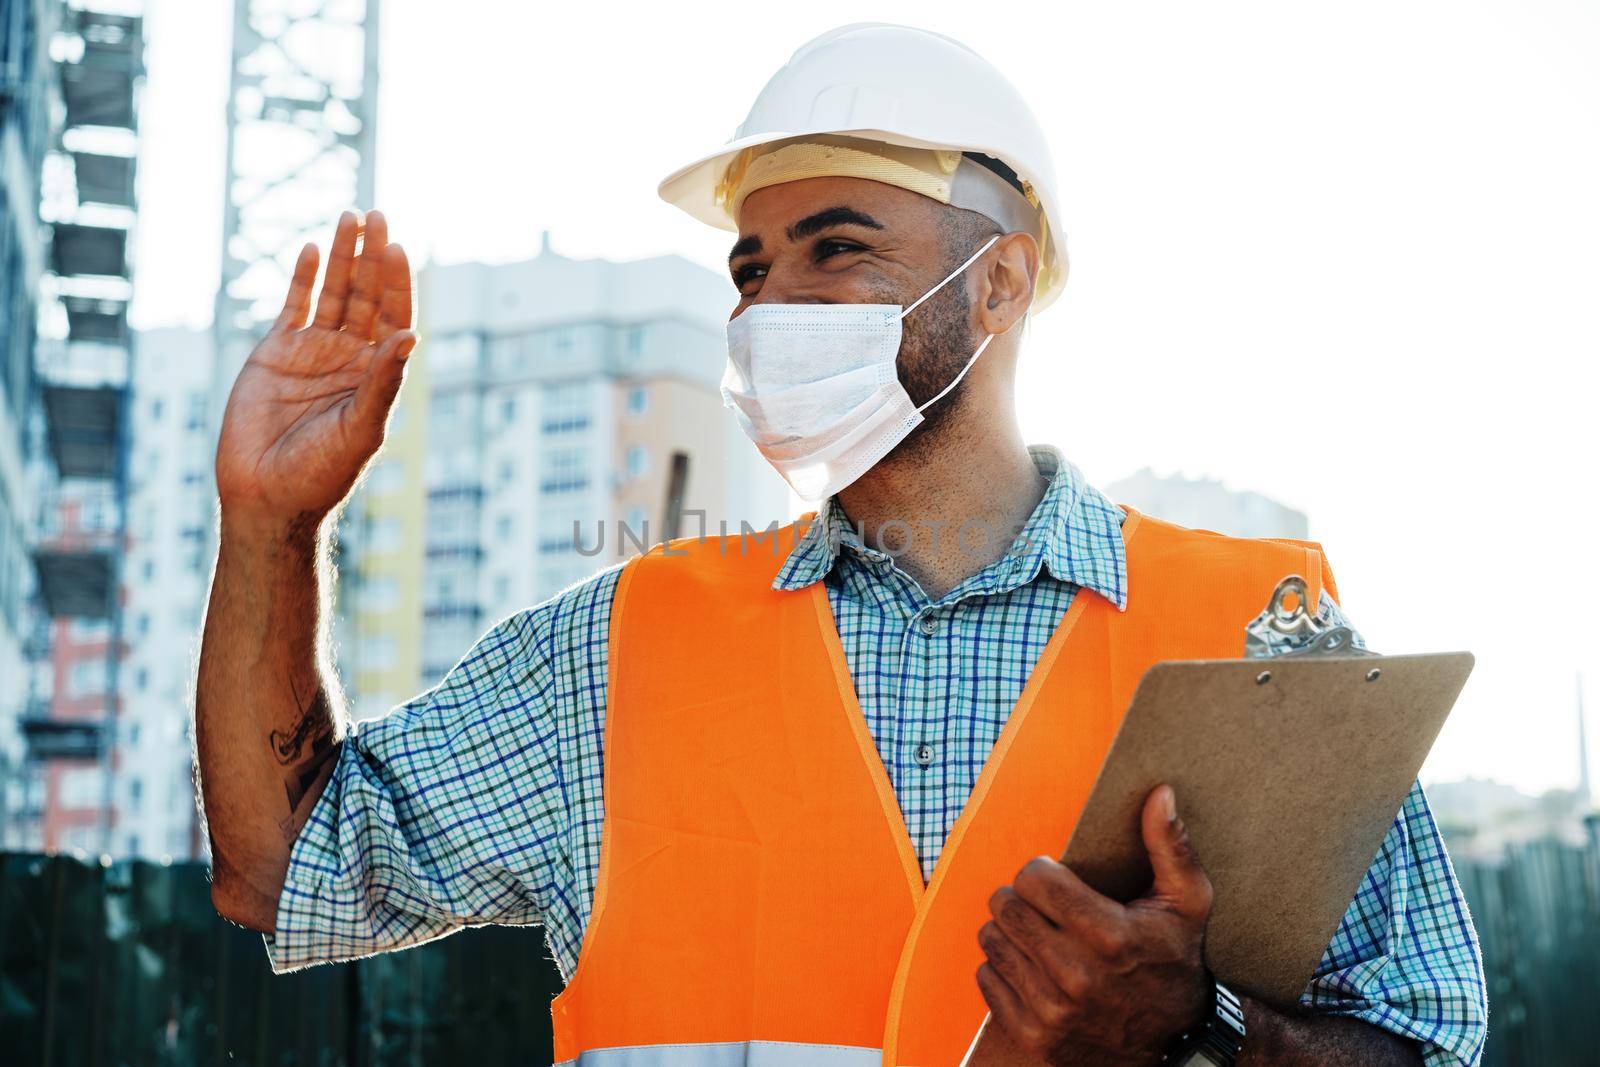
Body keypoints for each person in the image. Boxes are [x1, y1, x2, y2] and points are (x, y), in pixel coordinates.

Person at [196, 22, 1487, 1067]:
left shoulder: (1252, 630)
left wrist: (1195, 1034)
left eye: (839, 251)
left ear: (1000, 285)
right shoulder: (617, 647)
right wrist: (273, 522)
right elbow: (285, 871)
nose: (771, 307)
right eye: (751, 270)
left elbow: (1421, 1041)